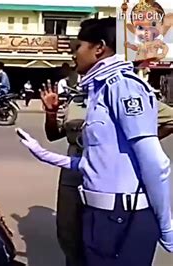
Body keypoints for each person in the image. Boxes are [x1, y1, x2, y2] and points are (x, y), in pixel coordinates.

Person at [18, 17, 173, 266]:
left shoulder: (123, 87)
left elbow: (156, 163)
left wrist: (166, 225)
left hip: (121, 216)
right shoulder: (97, 89)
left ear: (99, 48)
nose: (74, 54)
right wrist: (41, 152)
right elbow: (93, 161)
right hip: (99, 210)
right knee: (73, 245)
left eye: (79, 46)